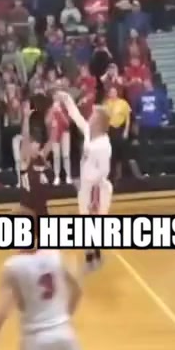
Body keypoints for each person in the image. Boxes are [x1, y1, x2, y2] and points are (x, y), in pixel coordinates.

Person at [56, 90, 112, 271]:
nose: (91, 117)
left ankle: (94, 256)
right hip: (87, 186)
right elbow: (77, 117)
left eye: (94, 116)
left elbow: (104, 171)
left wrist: (86, 180)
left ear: (100, 122)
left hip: (97, 189)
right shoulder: (89, 132)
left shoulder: (103, 145)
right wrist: (67, 99)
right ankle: (92, 256)